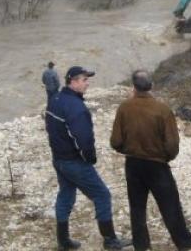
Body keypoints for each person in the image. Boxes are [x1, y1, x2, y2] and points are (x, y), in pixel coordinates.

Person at [110, 70, 191, 251]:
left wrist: (127, 151)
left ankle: (141, 245)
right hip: (157, 165)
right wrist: (165, 158)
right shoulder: (162, 109)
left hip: (133, 164)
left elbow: (115, 141)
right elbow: (172, 145)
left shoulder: (124, 108)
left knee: (137, 207)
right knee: (170, 205)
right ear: (151, 86)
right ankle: (184, 243)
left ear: (133, 87)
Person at [45, 66, 128, 251]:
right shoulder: (76, 107)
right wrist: (89, 159)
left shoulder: (55, 100)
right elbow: (83, 139)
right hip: (74, 161)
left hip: (58, 159)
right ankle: (110, 240)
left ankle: (63, 241)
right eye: (84, 80)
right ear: (72, 82)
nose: (87, 83)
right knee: (102, 194)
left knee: (66, 194)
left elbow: (51, 129)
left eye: (87, 79)